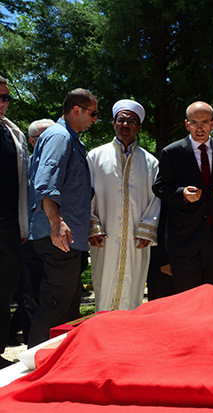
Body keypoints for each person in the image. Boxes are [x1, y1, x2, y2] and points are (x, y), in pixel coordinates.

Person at [28, 88, 98, 347]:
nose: (95, 119)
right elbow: (46, 183)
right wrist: (56, 222)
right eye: (93, 113)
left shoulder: (70, 138)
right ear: (76, 110)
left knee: (67, 306)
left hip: (69, 237)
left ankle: (58, 364)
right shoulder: (59, 136)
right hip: (58, 236)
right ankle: (33, 364)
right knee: (55, 302)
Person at [153, 101, 213, 292]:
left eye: (205, 122)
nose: (199, 128)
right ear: (186, 124)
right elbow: (159, 187)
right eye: (194, 123)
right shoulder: (172, 152)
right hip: (184, 238)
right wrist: (181, 193)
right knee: (188, 298)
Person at [87, 99, 161, 311]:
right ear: (113, 123)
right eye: (121, 120)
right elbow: (86, 195)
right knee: (104, 286)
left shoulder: (150, 162)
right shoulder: (95, 157)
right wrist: (93, 226)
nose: (125, 125)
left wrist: (147, 229)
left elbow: (156, 198)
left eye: (131, 121)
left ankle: (128, 338)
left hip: (137, 240)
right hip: (104, 238)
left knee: (134, 287)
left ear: (139, 127)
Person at [8, 119, 54, 346]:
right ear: (32, 141)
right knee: (29, 296)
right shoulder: (21, 165)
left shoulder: (57, 162)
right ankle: (33, 345)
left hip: (54, 239)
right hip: (27, 240)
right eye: (46, 137)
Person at [0, 76, 29, 366]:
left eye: (6, 97)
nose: (3, 103)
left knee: (5, 290)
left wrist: (22, 225)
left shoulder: (14, 134)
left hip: (9, 225)